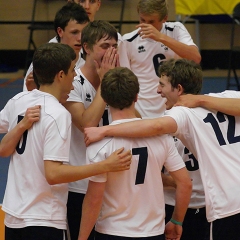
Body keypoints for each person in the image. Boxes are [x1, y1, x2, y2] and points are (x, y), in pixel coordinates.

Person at [84, 58, 240, 240]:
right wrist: (202, 99)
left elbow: (157, 126)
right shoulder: (228, 96)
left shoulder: (180, 113)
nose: (158, 90)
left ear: (179, 89)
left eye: (162, 85)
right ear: (136, 97)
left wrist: (105, 130)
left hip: (225, 204)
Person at [1, 42, 132, 240]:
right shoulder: (58, 114)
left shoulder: (18, 101)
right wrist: (105, 165)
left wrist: (19, 126)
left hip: (13, 217)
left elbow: (4, 150)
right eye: (72, 70)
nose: (75, 75)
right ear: (60, 75)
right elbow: (53, 174)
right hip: (44, 218)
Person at [78, 67, 192, 240]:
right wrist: (176, 222)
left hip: (112, 232)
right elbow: (185, 183)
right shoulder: (161, 137)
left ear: (105, 100)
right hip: (153, 232)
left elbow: (94, 199)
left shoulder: (98, 144)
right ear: (137, 97)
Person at [63, 20, 119, 240]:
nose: (111, 52)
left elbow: (134, 120)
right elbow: (87, 124)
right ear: (86, 47)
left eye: (114, 46)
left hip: (112, 183)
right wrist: (105, 84)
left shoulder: (117, 79)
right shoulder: (72, 81)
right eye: (105, 46)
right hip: (80, 186)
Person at [118, 0, 201, 118]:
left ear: (164, 18)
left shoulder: (176, 30)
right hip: (143, 110)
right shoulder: (128, 41)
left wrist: (161, 37)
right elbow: (125, 82)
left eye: (151, 21)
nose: (146, 25)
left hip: (175, 108)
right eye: (142, 20)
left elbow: (195, 58)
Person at [23, 2, 90, 91]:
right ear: (60, 32)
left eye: (84, 32)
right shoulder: (45, 59)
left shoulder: (89, 56)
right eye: (74, 32)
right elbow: (29, 99)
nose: (80, 38)